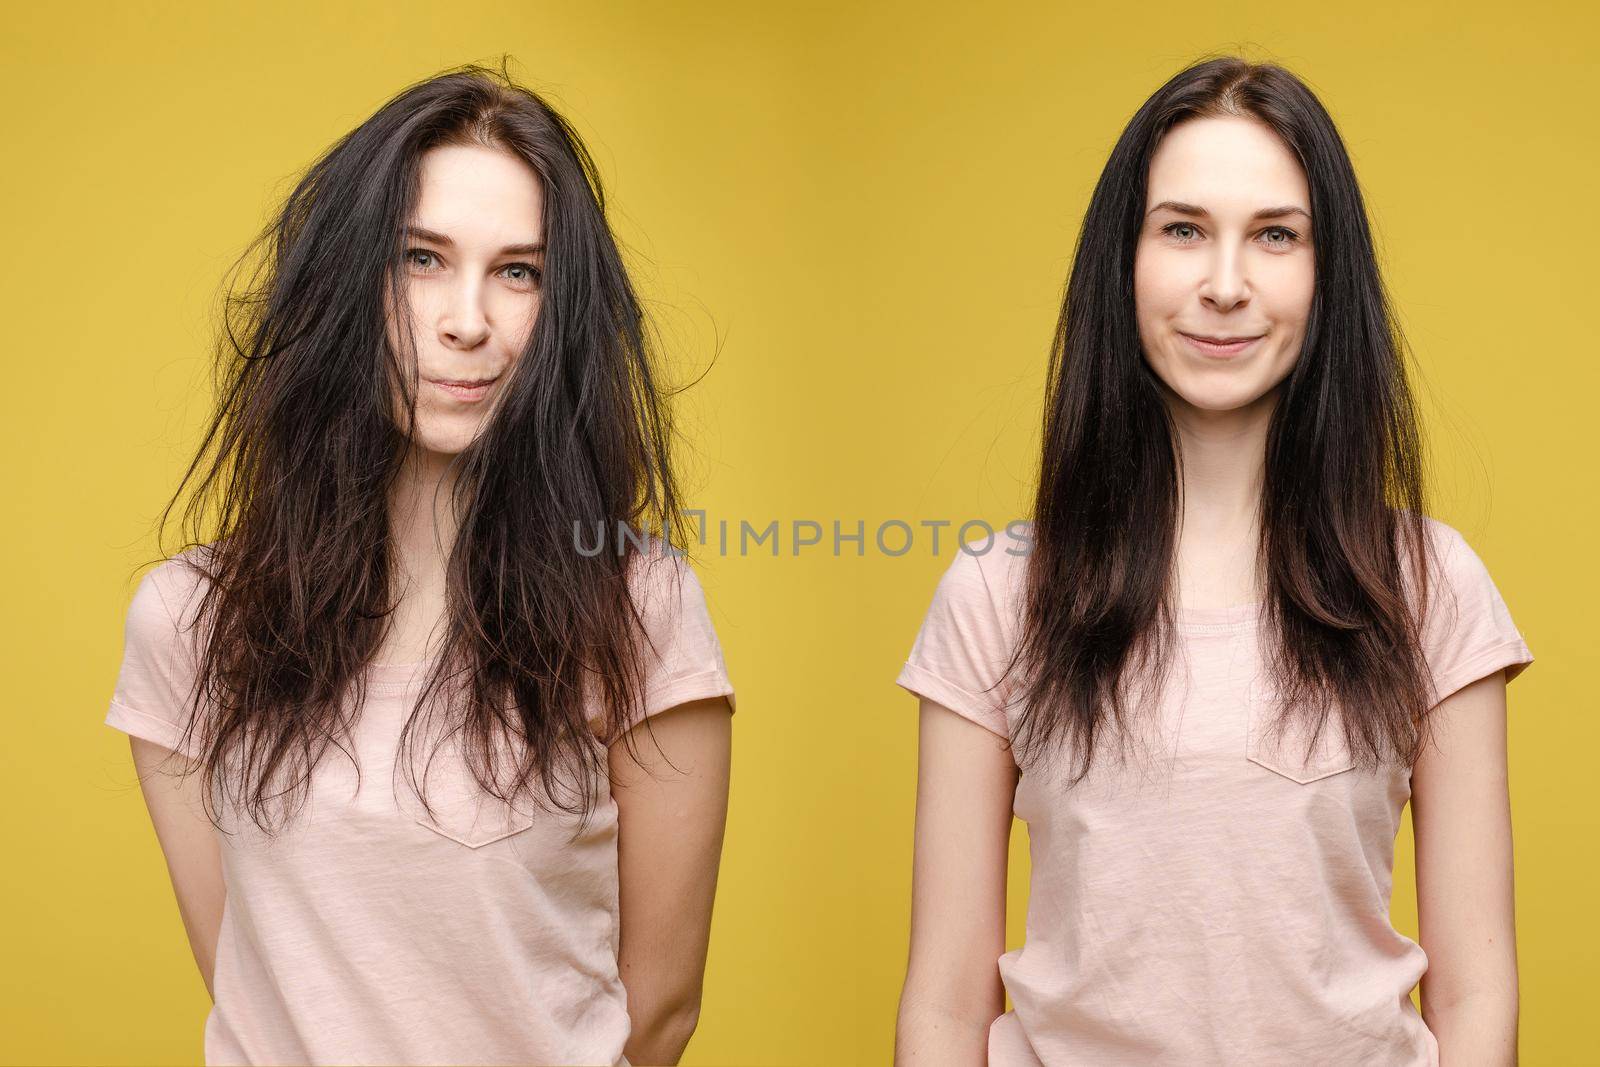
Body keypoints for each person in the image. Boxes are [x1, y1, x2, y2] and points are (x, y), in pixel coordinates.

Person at [894, 56, 1532, 1066]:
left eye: (1274, 235)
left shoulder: (1427, 584)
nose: (1225, 285)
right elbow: (940, 1003)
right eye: (1182, 229)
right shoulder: (996, 593)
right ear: (1124, 260)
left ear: (1328, 274)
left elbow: (1478, 989)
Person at [104, 62, 735, 1067]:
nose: (467, 320)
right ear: (348, 278)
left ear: (561, 310)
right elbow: (255, 981)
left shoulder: (642, 605)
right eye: (422, 258)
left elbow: (657, 1008)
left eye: (519, 271)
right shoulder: (189, 619)